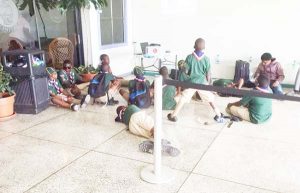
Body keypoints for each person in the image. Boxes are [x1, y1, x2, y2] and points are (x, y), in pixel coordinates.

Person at [167, 38, 224, 122]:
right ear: (204, 47)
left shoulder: (189, 57)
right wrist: (208, 85)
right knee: (210, 99)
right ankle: (218, 114)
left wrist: (182, 72)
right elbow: (208, 74)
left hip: (192, 83)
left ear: (194, 46)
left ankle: (173, 115)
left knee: (183, 98)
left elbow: (186, 72)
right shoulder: (206, 59)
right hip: (202, 83)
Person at [115, 105, 180, 156]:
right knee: (154, 128)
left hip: (131, 127)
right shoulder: (131, 107)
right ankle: (161, 142)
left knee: (148, 134)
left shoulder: (122, 118)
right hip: (137, 115)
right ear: (124, 107)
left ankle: (152, 143)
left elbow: (119, 119)